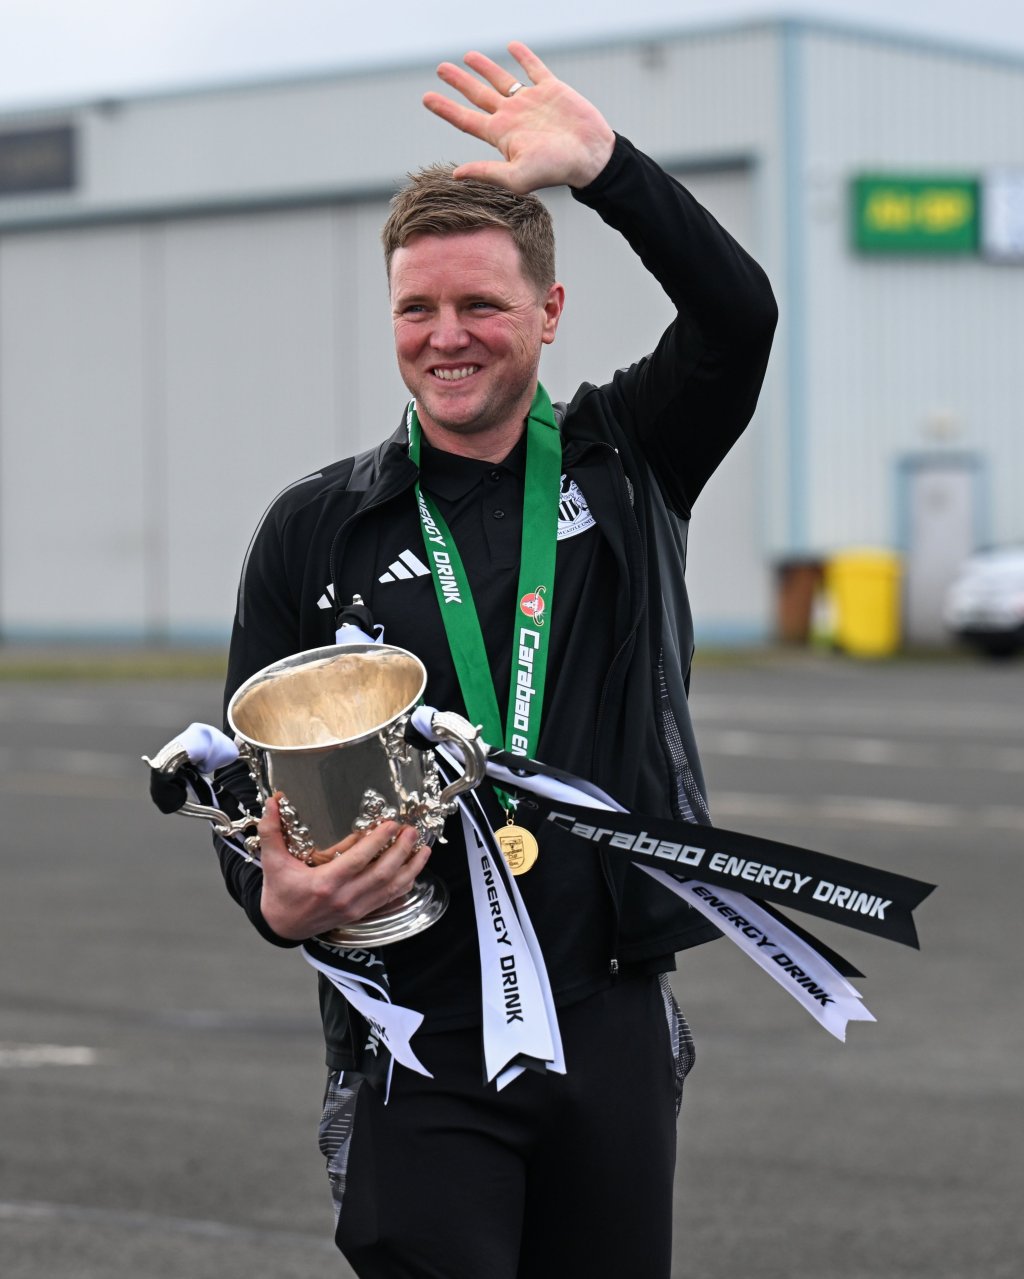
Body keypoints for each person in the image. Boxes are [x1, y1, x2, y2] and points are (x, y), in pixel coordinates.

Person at [215, 40, 777, 1279]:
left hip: (606, 1009)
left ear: (548, 313)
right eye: (416, 309)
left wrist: (606, 168)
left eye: (480, 305)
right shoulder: (316, 526)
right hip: (411, 1023)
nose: (446, 336)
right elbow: (243, 788)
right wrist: (272, 900)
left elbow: (739, 317)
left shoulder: (627, 459)